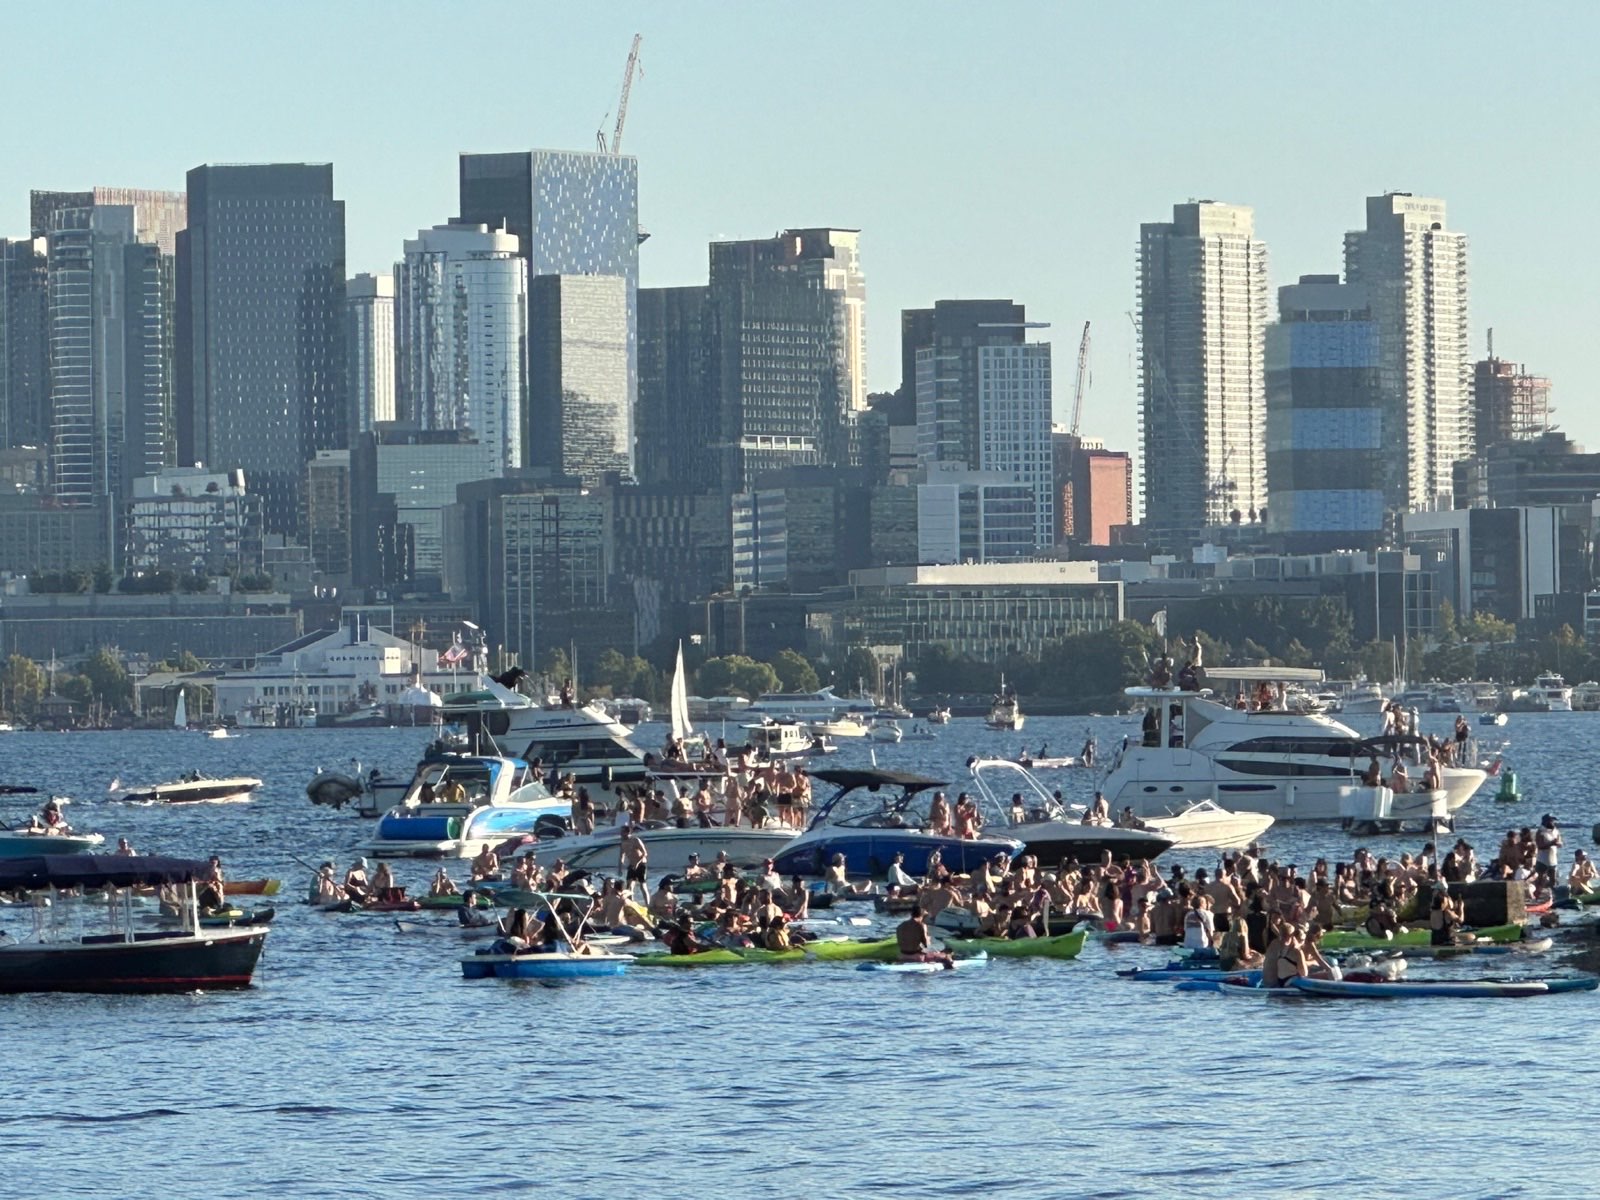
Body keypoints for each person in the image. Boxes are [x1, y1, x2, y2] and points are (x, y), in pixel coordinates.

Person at [619, 824, 649, 899]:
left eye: (622, 832)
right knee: (629, 886)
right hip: (631, 865)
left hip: (641, 864)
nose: (621, 834)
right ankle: (631, 904)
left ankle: (648, 905)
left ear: (627, 832)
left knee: (642, 886)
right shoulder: (622, 843)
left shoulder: (635, 840)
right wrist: (620, 867)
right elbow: (621, 856)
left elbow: (645, 853)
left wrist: (637, 863)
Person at [1535, 814, 1563, 885]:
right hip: (1542, 860)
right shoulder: (1541, 832)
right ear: (1546, 821)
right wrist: (1551, 843)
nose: (1553, 823)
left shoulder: (1556, 831)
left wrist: (1558, 843)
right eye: (1551, 821)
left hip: (1553, 860)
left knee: (1553, 880)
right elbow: (1540, 846)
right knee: (1540, 880)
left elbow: (1560, 843)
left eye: (1553, 821)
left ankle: (1552, 893)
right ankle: (1536, 894)